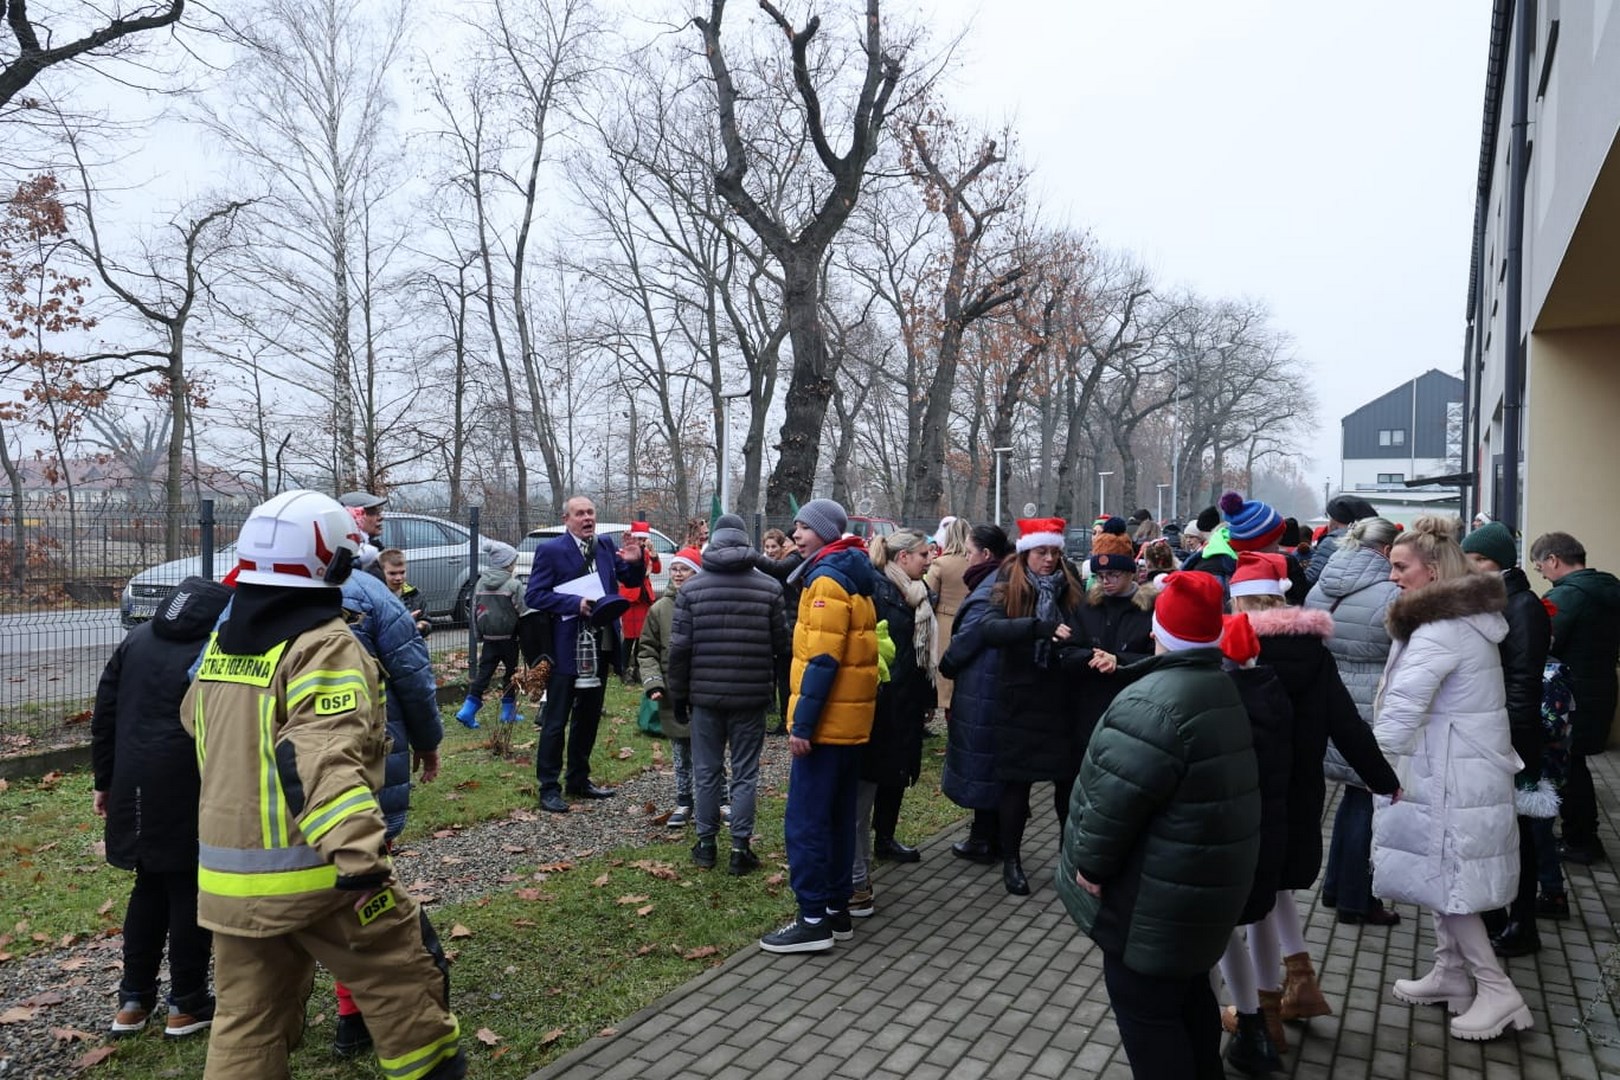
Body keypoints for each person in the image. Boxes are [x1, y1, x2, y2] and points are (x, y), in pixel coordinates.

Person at [180, 490, 463, 1079]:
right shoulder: (323, 645)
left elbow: (195, 722)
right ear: (334, 563)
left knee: (247, 1021)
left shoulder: (221, 646)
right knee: (406, 983)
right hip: (318, 872)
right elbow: (324, 757)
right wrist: (361, 860)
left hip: (229, 883)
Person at [1056, 570, 1261, 1080]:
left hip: (1150, 903)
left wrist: (1091, 867)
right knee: (1189, 999)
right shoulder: (1219, 685)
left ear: (1158, 630)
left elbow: (1115, 803)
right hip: (1195, 892)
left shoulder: (1151, 703)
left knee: (1148, 1017)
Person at [1373, 516, 1531, 1042]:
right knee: (1443, 877)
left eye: (1401, 567)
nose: (1393, 576)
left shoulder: (1440, 630)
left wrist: (1372, 766)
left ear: (1434, 570)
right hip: (1455, 767)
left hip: (1449, 774)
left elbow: (1401, 708)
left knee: (1451, 881)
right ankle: (1451, 974)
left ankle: (1497, 990)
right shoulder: (1456, 620)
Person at [94, 575, 234, 1039]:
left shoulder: (136, 640)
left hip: (133, 781)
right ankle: (186, 1003)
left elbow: (105, 712)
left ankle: (133, 1001)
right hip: (191, 780)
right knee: (188, 886)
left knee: (148, 883)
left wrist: (104, 781)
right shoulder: (217, 649)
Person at [330, 555, 445, 1056]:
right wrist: (428, 741)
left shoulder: (246, 600)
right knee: (364, 890)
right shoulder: (373, 596)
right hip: (364, 766)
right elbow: (414, 678)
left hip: (267, 787)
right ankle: (361, 1016)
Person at [760, 498, 879, 954]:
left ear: (826, 532)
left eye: (804, 528)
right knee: (837, 819)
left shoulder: (826, 579)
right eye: (795, 527)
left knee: (807, 823)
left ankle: (812, 920)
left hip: (827, 726)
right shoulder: (852, 573)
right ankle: (835, 909)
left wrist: (802, 725)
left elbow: (823, 660)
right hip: (849, 725)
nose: (796, 535)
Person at [667, 520, 790, 876]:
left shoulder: (692, 590)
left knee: (706, 771)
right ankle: (740, 848)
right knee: (745, 773)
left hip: (705, 697)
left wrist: (679, 696)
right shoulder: (769, 588)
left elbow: (679, 649)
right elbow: (782, 646)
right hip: (751, 696)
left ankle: (706, 845)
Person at [978, 517, 1089, 897]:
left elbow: (1084, 628)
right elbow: (990, 630)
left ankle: (1067, 858)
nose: (1049, 559)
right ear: (1027, 552)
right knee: (1015, 786)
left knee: (1066, 786)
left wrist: (1074, 648)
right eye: (1042, 552)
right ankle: (1011, 860)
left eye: (1054, 552)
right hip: (1019, 701)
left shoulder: (1070, 585)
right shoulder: (1008, 582)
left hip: (1061, 700)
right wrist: (1038, 627)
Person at [1305, 517, 1404, 931]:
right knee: (1367, 798)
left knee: (1353, 796)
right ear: (1386, 550)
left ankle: (1334, 887)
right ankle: (1356, 899)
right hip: (1370, 705)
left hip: (1329, 699)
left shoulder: (1321, 584)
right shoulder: (1392, 594)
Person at [1462, 521, 1552, 957]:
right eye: (1469, 558)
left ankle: (1523, 923)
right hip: (1491, 732)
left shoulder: (1522, 605)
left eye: (1480, 559)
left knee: (1520, 832)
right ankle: (1498, 913)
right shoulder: (1490, 600)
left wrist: (1508, 738)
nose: (1472, 566)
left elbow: (1523, 681)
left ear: (1500, 562)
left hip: (1512, 736)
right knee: (1495, 829)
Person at [524, 496, 645, 813]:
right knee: (556, 720)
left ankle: (578, 779)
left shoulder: (604, 545)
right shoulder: (550, 550)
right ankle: (549, 787)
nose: (587, 518)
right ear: (566, 519)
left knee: (589, 717)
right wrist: (573, 603)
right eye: (580, 514)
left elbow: (631, 580)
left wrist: (636, 560)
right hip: (566, 648)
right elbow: (534, 595)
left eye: (590, 512)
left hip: (600, 644)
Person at [1213, 612, 1294, 1076]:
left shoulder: (1224, 705)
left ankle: (1240, 1029)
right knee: (1242, 927)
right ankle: (1257, 1028)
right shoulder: (1272, 693)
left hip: (1226, 842)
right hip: (1266, 836)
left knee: (1215, 937)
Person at [849, 530, 937, 912]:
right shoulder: (878, 590)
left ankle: (885, 836)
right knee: (880, 769)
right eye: (922, 555)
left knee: (899, 769)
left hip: (908, 696)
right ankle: (869, 848)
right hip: (886, 697)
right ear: (903, 558)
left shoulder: (917, 592)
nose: (928, 561)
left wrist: (927, 696)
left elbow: (922, 652)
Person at [1530, 530, 1620, 865]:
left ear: (1553, 560)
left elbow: (1543, 641)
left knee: (1570, 769)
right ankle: (1581, 836)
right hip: (1600, 688)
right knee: (1577, 765)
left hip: (1570, 695)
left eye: (1540, 567)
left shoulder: (1568, 596)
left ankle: (1581, 841)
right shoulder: (1608, 589)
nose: (1542, 574)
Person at [939, 524, 1014, 866]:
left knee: (982, 762)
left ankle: (984, 839)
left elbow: (970, 638)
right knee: (990, 762)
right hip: (990, 681)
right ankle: (990, 835)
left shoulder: (990, 589)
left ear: (985, 554)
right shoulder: (1000, 579)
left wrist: (947, 664)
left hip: (984, 684)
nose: (966, 558)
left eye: (969, 552)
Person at [639, 547, 702, 827]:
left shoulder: (707, 603)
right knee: (680, 752)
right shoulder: (660, 609)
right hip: (672, 690)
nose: (678, 574)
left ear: (697, 573)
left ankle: (720, 799)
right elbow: (647, 650)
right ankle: (684, 801)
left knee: (708, 750)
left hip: (703, 688)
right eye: (674, 568)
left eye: (684, 569)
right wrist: (653, 682)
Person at [456, 540, 527, 729]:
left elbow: (474, 611)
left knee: (483, 675)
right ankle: (508, 712)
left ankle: (467, 710)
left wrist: (478, 635)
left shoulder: (480, 583)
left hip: (489, 639)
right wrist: (524, 635)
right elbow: (523, 611)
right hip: (510, 639)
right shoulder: (514, 585)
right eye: (513, 561)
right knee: (511, 674)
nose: (514, 565)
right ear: (508, 563)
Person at [755, 528, 805, 734]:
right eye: (766, 547)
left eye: (774, 546)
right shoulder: (789, 559)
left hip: (789, 625)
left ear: (785, 544)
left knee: (785, 676)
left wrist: (750, 556)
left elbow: (777, 569)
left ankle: (787, 718)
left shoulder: (793, 559)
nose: (770, 551)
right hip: (781, 623)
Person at [925, 517, 972, 721]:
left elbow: (928, 594)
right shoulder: (975, 562)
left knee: (946, 679)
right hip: (971, 621)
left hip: (945, 624)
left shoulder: (941, 564)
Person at [617, 521, 662, 683]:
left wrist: (653, 553)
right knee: (629, 637)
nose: (642, 542)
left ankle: (637, 670)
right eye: (640, 539)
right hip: (631, 599)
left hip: (644, 599)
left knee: (641, 638)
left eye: (644, 539)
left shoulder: (647, 552)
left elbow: (657, 569)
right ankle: (623, 670)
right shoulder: (628, 552)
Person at [1305, 494, 1378, 585]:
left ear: (1336, 519)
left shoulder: (1332, 542)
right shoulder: (1376, 541)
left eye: (1329, 516)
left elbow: (1310, 579)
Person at [378, 548, 430, 637]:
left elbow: (426, 620)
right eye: (392, 573)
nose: (398, 578)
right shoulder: (375, 596)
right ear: (381, 572)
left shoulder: (415, 594)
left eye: (402, 572)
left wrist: (420, 626)